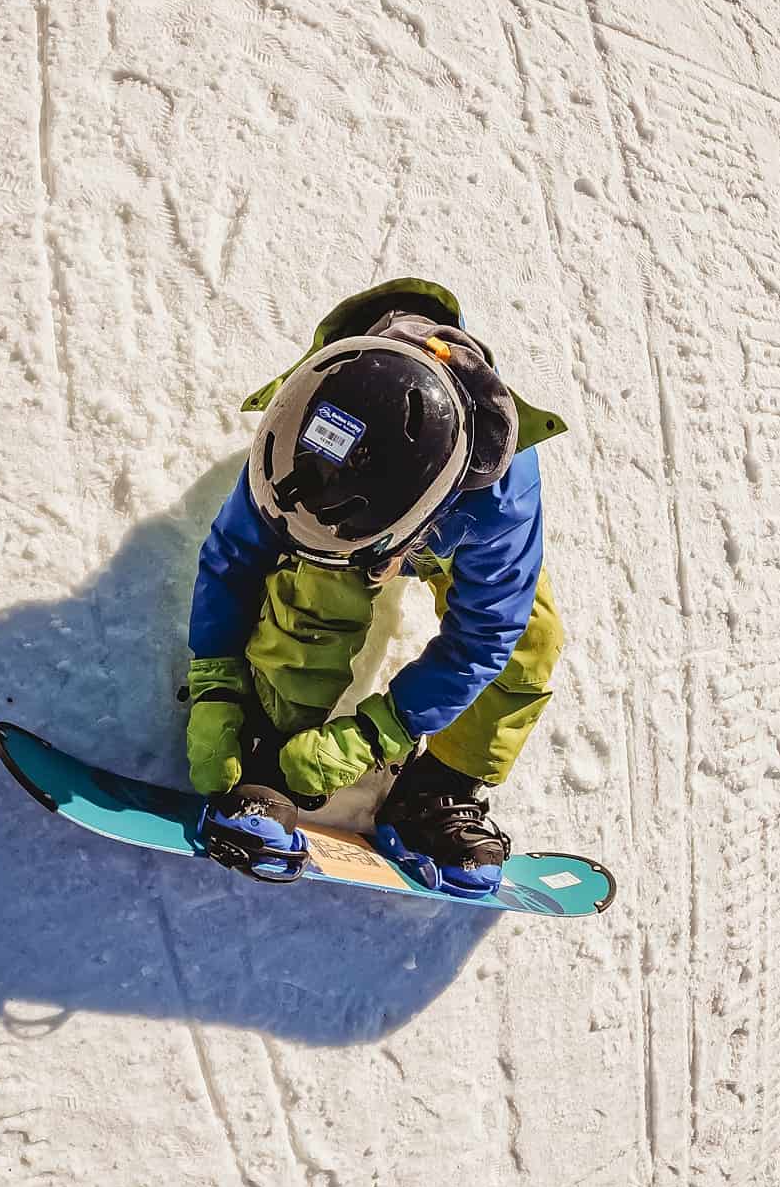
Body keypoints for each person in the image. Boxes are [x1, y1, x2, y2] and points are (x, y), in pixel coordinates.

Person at [184, 278, 567, 897]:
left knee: (532, 639)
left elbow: (487, 631)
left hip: (428, 523)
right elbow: (234, 555)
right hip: (349, 514)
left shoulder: (498, 500)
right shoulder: (299, 432)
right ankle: (266, 755)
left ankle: (436, 791)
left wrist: (377, 732)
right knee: (313, 595)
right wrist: (215, 683)